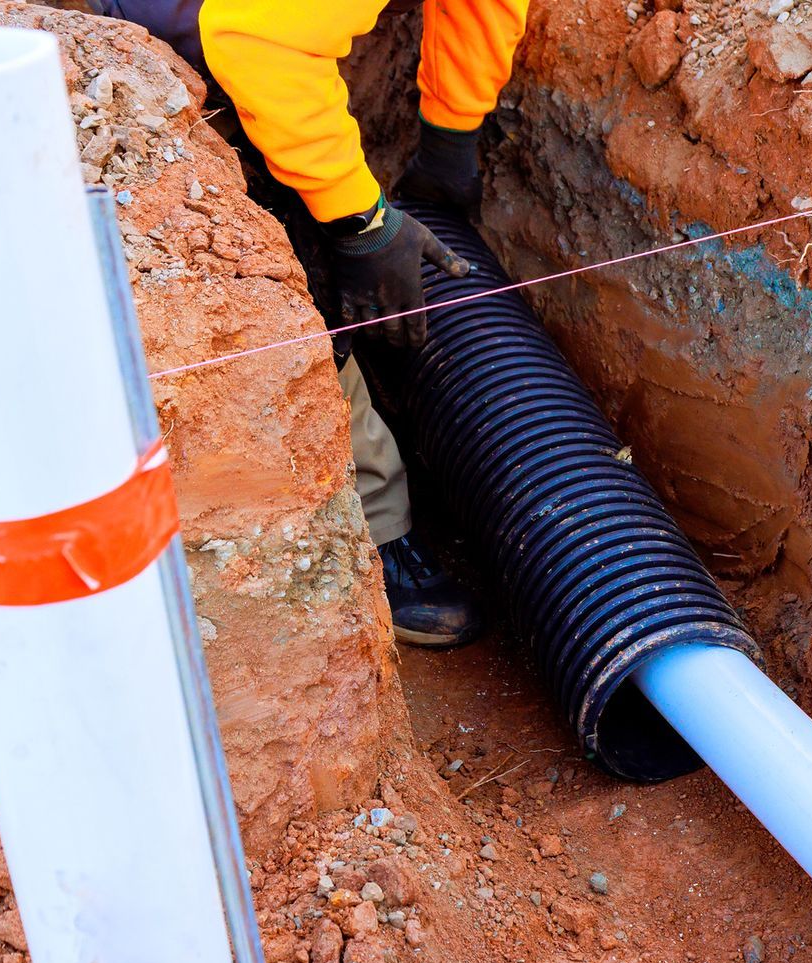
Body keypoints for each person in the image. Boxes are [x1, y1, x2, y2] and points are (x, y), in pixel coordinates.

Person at [95, 0, 532, 646]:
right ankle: (376, 524)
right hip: (220, 23)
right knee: (286, 258)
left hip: (269, 28)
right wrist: (361, 222)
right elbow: (250, 39)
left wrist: (451, 134)